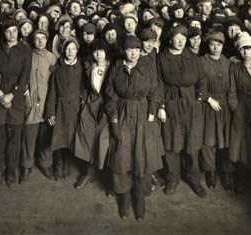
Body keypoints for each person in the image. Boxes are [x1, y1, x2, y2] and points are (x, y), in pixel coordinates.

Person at [105, 36, 161, 221]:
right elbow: (109, 94)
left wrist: (151, 114)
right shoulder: (116, 67)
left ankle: (139, 198)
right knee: (122, 155)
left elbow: (155, 92)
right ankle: (124, 198)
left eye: (137, 49)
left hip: (142, 113)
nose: (133, 53)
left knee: (141, 156)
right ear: (124, 51)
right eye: (130, 50)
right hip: (121, 113)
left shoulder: (147, 66)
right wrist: (113, 117)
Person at [157, 25, 207, 198]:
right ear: (170, 39)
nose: (180, 41)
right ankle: (173, 178)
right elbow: (159, 84)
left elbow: (202, 80)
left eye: (183, 38)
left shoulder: (193, 58)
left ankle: (194, 179)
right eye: (177, 38)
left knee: (192, 144)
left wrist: (198, 100)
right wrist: (161, 107)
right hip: (171, 103)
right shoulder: (162, 57)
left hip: (191, 103)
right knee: (171, 143)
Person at [0, 19, 32, 189]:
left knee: (14, 138)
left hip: (16, 98)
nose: (11, 34)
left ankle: (11, 170)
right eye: (7, 31)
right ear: (3, 33)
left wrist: (11, 95)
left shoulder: (25, 50)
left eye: (14, 30)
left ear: (18, 32)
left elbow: (25, 76)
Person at [228, 32, 251, 193]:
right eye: (242, 49)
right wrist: (235, 107)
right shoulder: (235, 67)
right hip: (241, 107)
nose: (245, 52)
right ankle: (240, 180)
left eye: (248, 48)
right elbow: (231, 89)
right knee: (240, 141)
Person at [45, 38, 86, 181]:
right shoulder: (58, 67)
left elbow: (84, 89)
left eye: (73, 49)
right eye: (68, 49)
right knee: (58, 137)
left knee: (71, 137)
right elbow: (52, 91)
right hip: (60, 108)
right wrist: (50, 112)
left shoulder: (81, 67)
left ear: (77, 50)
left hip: (75, 108)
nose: (70, 52)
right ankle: (58, 165)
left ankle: (67, 164)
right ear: (63, 50)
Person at [200, 31, 235, 191]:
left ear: (222, 46)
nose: (215, 47)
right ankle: (210, 171)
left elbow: (232, 86)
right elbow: (198, 85)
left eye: (219, 44)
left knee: (226, 140)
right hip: (208, 105)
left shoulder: (228, 63)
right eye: (212, 44)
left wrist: (232, 104)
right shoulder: (201, 62)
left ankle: (226, 172)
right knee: (208, 140)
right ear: (208, 45)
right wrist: (208, 99)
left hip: (225, 106)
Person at [74, 39, 111, 189]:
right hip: (91, 103)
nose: (98, 54)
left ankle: (108, 178)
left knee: (105, 140)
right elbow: (84, 85)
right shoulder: (89, 66)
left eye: (101, 51)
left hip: (107, 105)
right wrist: (84, 102)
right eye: (95, 51)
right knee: (87, 137)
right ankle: (89, 172)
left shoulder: (113, 66)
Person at [20, 29, 56, 182]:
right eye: (37, 39)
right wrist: (26, 95)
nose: (40, 41)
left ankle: (45, 163)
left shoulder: (51, 57)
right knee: (29, 137)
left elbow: (55, 82)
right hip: (31, 102)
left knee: (46, 137)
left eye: (43, 38)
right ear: (32, 41)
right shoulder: (27, 56)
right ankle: (26, 166)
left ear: (47, 40)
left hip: (47, 103)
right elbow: (22, 78)